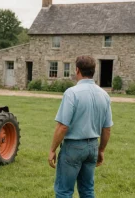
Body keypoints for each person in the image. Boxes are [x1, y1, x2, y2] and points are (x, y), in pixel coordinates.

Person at [48, 56, 113, 198]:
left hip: (73, 147)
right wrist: (101, 150)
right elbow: (107, 128)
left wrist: (52, 149)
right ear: (93, 71)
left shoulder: (71, 93)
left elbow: (63, 126)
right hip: (92, 147)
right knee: (87, 190)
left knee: (64, 191)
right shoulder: (104, 95)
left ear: (77, 70)